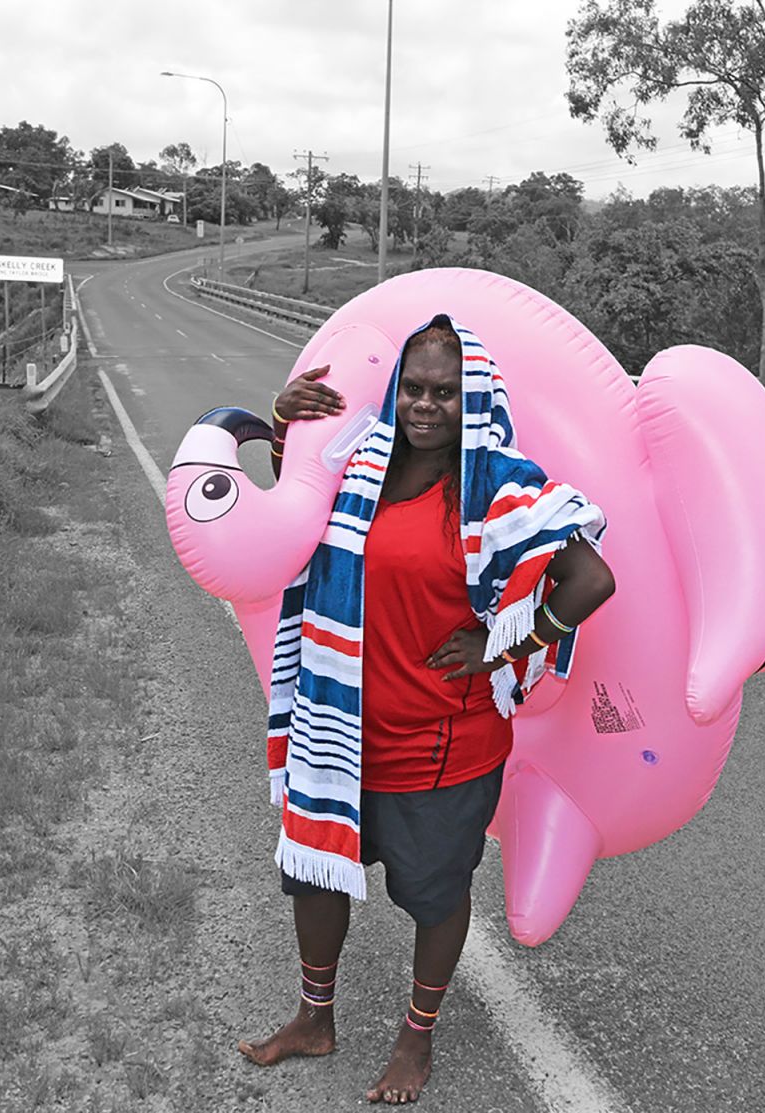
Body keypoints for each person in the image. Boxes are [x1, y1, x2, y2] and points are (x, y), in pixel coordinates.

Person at [237, 315, 615, 1104]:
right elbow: (293, 510)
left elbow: (590, 579)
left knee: (435, 894)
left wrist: (504, 642)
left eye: (446, 392)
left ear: (473, 399)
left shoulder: (501, 484)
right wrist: (284, 421)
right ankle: (315, 1018)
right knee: (314, 875)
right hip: (339, 727)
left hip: (444, 742)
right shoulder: (360, 460)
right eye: (413, 388)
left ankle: (416, 1035)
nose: (426, 405)